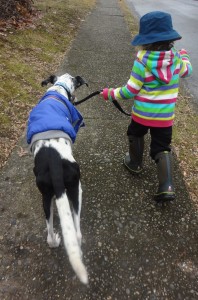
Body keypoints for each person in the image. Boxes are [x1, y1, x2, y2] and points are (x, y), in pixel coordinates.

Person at [100, 11, 192, 202]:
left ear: (145, 40)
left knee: (135, 134)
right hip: (165, 119)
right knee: (161, 147)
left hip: (142, 115)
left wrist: (111, 94)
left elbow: (130, 90)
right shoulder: (175, 60)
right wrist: (184, 55)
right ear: (170, 38)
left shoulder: (142, 61)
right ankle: (166, 186)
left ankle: (135, 163)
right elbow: (187, 70)